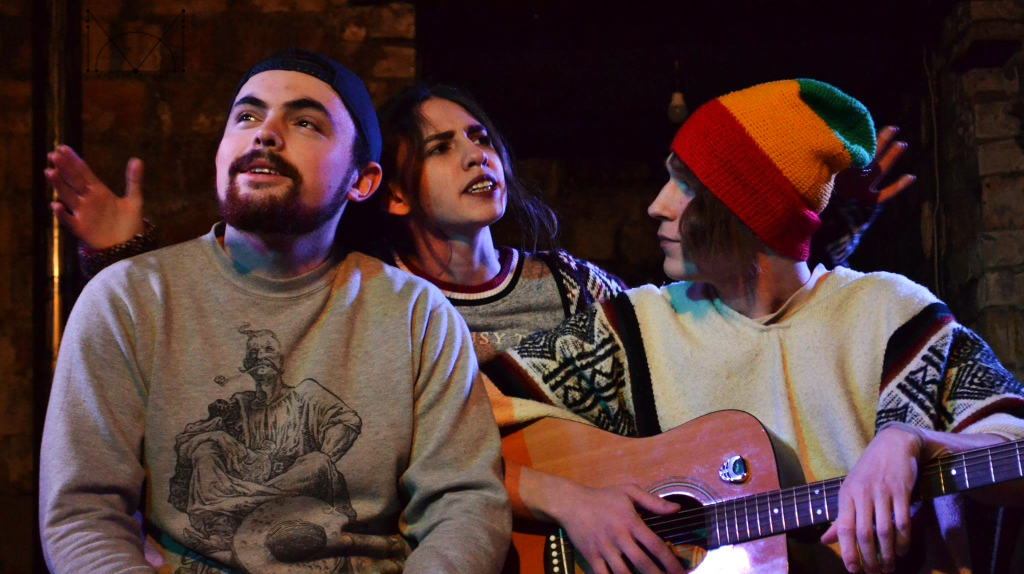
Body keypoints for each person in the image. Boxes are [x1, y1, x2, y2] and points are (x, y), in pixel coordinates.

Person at [48, 80, 914, 571]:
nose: (477, 154)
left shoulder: (579, 287)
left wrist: (816, 222)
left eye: (481, 137)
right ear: (389, 191)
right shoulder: (382, 310)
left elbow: (719, 333)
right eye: (442, 147)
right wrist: (130, 257)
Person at [482, 79, 1024, 574]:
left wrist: (915, 441)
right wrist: (569, 501)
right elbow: (458, 430)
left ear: (749, 212)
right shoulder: (635, 328)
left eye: (685, 186)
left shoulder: (893, 313)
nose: (657, 206)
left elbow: (1013, 450)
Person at [39, 49, 511, 574]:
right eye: (247, 116)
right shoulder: (126, 299)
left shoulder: (416, 315)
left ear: (362, 181)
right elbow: (85, 514)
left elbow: (464, 503)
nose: (264, 134)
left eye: (305, 122)